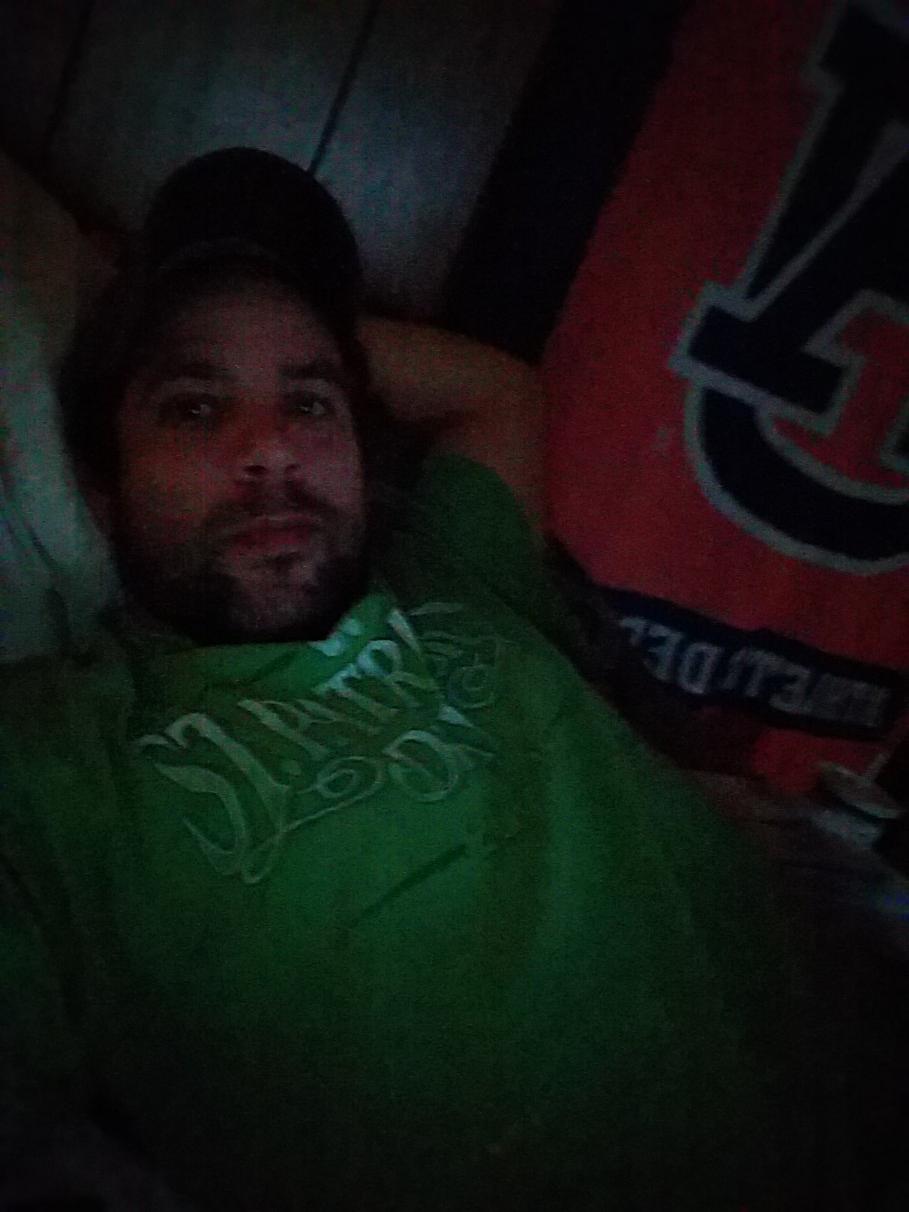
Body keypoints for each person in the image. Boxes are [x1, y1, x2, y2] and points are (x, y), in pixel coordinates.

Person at [0, 148, 846, 1210]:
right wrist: (122, 312)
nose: (274, 450)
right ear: (100, 490)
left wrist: (298, 338)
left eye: (312, 406)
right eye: (194, 409)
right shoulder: (47, 763)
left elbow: (500, 391)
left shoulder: (454, 571)